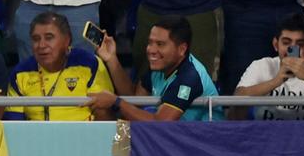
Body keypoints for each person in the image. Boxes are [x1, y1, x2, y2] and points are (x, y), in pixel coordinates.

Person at [91, 16, 219, 120]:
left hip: (206, 142)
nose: (151, 50)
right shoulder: (161, 65)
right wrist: (111, 59)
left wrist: (116, 102)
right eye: (150, 42)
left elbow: (160, 123)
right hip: (176, 138)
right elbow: (134, 100)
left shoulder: (189, 76)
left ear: (182, 49)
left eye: (160, 44)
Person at [8, 11, 116, 120]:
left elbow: (106, 117)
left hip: (83, 135)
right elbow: (13, 124)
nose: (41, 45)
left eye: (49, 37)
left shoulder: (89, 63)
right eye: (36, 39)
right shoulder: (20, 73)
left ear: (67, 40)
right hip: (36, 136)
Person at [231, 13, 304, 118]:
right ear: (275, 44)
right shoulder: (261, 65)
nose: (292, 49)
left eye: (300, 44)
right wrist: (276, 81)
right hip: (266, 134)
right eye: (286, 42)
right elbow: (239, 96)